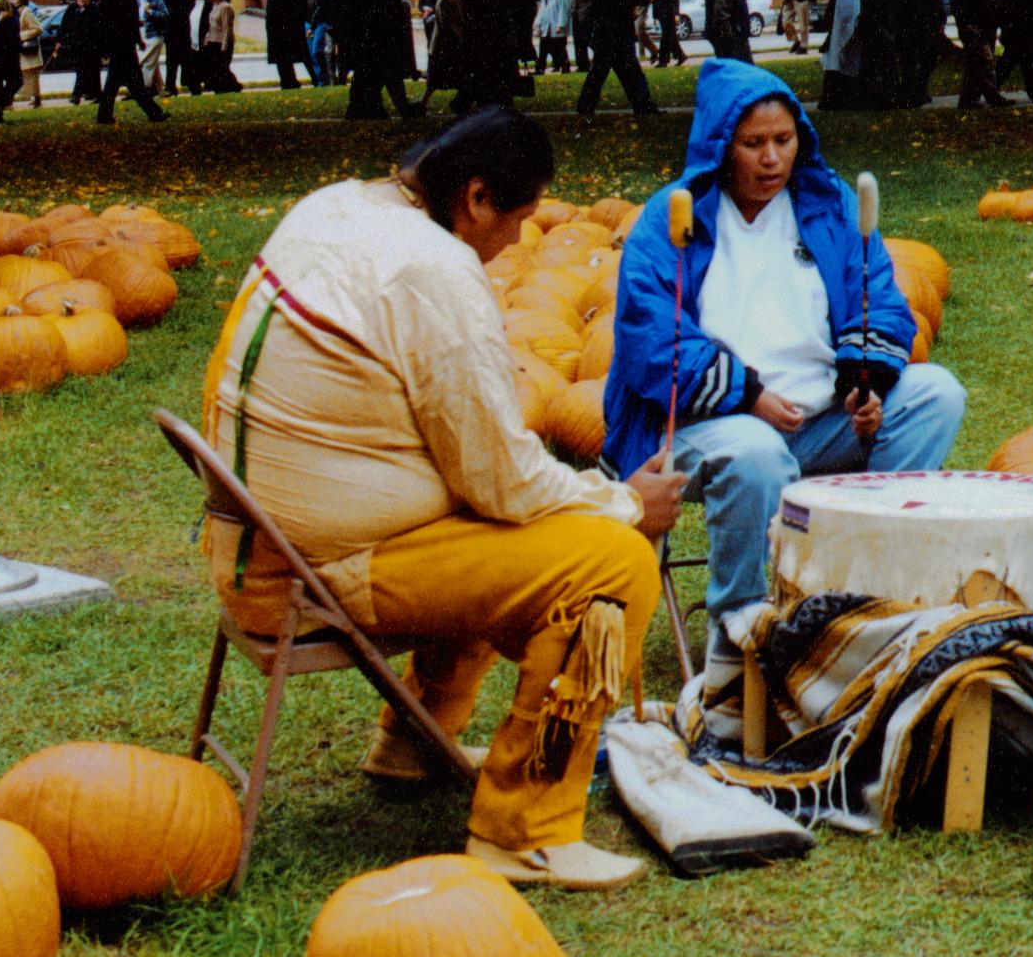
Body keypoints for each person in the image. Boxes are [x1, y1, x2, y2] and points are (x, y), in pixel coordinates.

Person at [203, 110, 682, 889]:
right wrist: (623, 504)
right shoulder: (432, 267)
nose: (518, 242)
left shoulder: (337, 204)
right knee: (607, 563)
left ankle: (411, 745)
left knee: (494, 517)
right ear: (477, 196)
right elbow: (503, 481)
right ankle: (522, 832)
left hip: (255, 550)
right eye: (520, 219)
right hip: (315, 578)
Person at [604, 60, 965, 653]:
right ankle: (740, 635)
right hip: (706, 426)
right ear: (722, 146)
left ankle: (860, 591)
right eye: (753, 144)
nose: (771, 158)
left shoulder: (830, 205)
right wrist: (748, 396)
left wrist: (862, 380)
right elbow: (651, 339)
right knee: (756, 454)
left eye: (783, 140)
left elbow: (878, 297)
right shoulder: (672, 218)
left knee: (938, 396)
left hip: (821, 422)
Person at [574, 0, 659, 118]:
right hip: (609, 36)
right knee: (607, 73)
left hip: (618, 36)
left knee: (623, 73)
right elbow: (600, 7)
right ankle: (642, 105)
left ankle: (643, 105)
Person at [95, 0, 168, 124]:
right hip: (123, 44)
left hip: (119, 44)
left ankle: (105, 115)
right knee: (133, 83)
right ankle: (155, 113)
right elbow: (127, 21)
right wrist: (136, 39)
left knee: (118, 83)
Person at [950, 0, 1009, 107]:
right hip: (972, 29)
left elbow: (997, 2)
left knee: (974, 65)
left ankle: (967, 100)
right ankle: (994, 97)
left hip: (989, 28)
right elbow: (957, 5)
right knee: (986, 63)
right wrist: (966, 26)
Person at [891, 0, 947, 107]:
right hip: (907, 25)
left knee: (930, 60)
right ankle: (910, 95)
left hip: (928, 25)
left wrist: (940, 20)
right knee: (908, 62)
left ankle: (919, 89)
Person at [819, 0, 874, 107]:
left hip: (842, 26)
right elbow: (850, 7)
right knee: (844, 63)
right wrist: (854, 27)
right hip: (848, 28)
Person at [264, 0, 311, 89]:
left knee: (302, 57)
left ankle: (317, 80)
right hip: (276, 31)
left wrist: (294, 25)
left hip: (291, 30)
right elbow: (270, 9)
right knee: (280, 59)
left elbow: (301, 7)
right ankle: (287, 82)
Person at [57, 0, 100, 104]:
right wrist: (59, 40)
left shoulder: (94, 9)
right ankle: (96, 93)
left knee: (90, 70)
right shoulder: (72, 9)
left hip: (92, 46)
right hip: (76, 45)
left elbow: (99, 29)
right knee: (81, 70)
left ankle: (76, 96)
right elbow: (63, 26)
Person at [198, 0, 243, 94]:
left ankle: (231, 86)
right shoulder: (214, 6)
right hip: (212, 41)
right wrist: (207, 38)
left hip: (221, 41)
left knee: (222, 67)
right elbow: (211, 24)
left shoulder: (225, 7)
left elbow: (227, 27)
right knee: (214, 67)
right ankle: (222, 87)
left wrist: (225, 45)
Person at [303, 0, 338, 86]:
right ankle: (318, 80)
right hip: (307, 22)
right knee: (310, 55)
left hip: (320, 23)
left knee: (316, 51)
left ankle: (323, 80)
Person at [651, 0, 688, 68]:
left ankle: (663, 60)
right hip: (661, 13)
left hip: (668, 13)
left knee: (666, 36)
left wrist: (676, 14)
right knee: (669, 36)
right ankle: (680, 56)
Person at [534, 0, 571, 74]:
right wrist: (538, 23)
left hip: (556, 26)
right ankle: (540, 69)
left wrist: (561, 24)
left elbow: (563, 9)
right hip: (547, 26)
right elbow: (542, 9)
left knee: (560, 48)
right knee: (543, 48)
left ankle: (565, 67)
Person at [16, 0, 45, 109]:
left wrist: (22, 35)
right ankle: (34, 97)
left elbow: (38, 28)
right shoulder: (16, 11)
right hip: (22, 49)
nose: (12, 0)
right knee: (27, 74)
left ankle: (37, 98)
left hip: (29, 48)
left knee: (33, 75)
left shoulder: (26, 12)